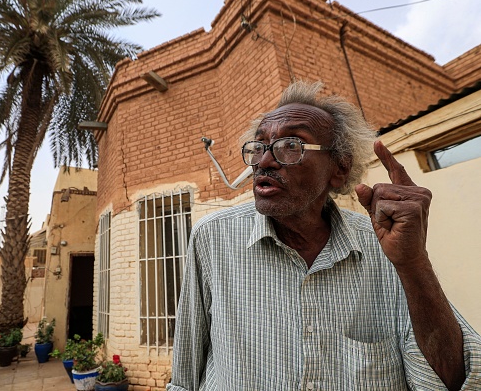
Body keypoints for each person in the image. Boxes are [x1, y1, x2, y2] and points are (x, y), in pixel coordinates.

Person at [167, 81, 481, 390]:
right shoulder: (212, 237)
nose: (263, 162)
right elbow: (184, 378)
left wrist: (413, 262)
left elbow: (455, 380)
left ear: (340, 169)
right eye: (259, 146)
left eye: (291, 146)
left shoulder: (385, 248)